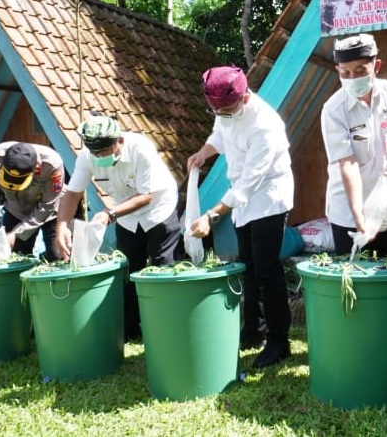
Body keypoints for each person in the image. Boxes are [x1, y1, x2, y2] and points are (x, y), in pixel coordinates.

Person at [188, 65, 294, 369]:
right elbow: (219, 134)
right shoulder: (226, 112)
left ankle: (279, 340)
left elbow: (251, 181)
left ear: (244, 98)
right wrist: (203, 153)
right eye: (215, 110)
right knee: (247, 266)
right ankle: (253, 330)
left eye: (225, 109)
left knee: (267, 269)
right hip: (243, 196)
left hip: (268, 196)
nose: (220, 114)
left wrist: (212, 214)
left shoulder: (265, 125)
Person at [56, 113, 183, 341]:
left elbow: (146, 196)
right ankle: (130, 329)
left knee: (163, 266)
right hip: (125, 216)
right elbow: (73, 193)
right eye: (96, 153)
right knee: (127, 270)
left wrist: (108, 214)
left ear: (120, 141)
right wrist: (62, 226)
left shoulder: (140, 148)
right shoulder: (87, 156)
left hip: (158, 209)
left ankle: (167, 328)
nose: (100, 157)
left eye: (105, 152)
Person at [321, 33, 387, 259]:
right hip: (348, 213)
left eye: (360, 70)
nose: (352, 77)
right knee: (355, 281)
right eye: (345, 72)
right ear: (337, 70)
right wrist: (358, 214)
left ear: (376, 66)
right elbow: (348, 164)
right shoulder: (333, 109)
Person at [0, 141, 65, 263]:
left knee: (57, 256)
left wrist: (17, 233)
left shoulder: (52, 164)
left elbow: (47, 206)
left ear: (35, 169)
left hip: (51, 213)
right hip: (16, 210)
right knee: (14, 259)